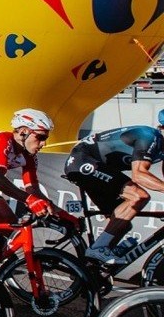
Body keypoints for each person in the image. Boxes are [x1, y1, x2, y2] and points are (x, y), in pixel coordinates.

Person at [64, 113, 164, 264]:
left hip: (99, 167)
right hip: (82, 161)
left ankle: (90, 268)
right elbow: (139, 175)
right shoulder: (149, 136)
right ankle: (98, 248)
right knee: (138, 196)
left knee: (122, 224)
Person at [0, 108, 68, 224]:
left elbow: (33, 189)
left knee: (10, 224)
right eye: (40, 137)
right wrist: (29, 199)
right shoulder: (3, 140)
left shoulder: (29, 155)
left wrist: (65, 216)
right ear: (24, 132)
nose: (44, 144)